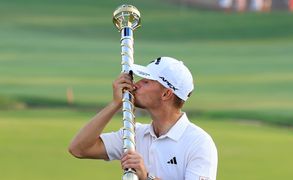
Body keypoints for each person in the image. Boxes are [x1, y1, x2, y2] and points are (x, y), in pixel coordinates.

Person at [68, 57, 218, 180]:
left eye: (146, 81)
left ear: (166, 94)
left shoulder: (199, 143)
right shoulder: (134, 134)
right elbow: (79, 149)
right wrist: (115, 104)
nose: (135, 85)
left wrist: (146, 177)